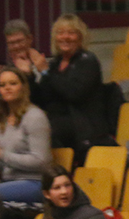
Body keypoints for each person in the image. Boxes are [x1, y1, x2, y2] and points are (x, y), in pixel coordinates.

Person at [31, 14, 113, 165]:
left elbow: (73, 93)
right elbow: (41, 100)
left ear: (80, 37)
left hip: (84, 128)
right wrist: (28, 76)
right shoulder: (55, 64)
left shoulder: (88, 61)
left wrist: (45, 72)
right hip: (60, 127)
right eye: (61, 33)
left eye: (71, 33)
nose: (65, 37)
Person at [0, 67, 51, 207]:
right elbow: (3, 163)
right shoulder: (1, 119)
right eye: (3, 85)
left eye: (13, 83)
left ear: (23, 87)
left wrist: (0, 154)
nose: (7, 88)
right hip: (8, 181)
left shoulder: (35, 116)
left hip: (34, 182)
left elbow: (41, 161)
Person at [0, 19, 48, 108]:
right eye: (11, 43)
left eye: (19, 41)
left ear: (29, 39)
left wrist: (33, 74)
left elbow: (46, 99)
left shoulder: (45, 64)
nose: (16, 46)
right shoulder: (6, 71)